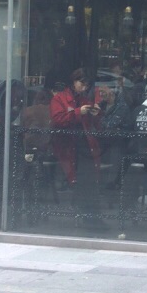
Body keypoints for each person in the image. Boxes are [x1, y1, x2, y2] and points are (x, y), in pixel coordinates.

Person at [49, 68, 106, 227]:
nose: (84, 87)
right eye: (82, 83)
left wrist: (95, 114)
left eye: (86, 85)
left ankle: (91, 217)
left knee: (89, 182)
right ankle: (89, 217)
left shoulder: (84, 99)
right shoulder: (59, 99)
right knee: (82, 182)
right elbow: (58, 120)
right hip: (67, 146)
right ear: (73, 82)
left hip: (84, 146)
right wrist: (78, 112)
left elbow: (95, 125)